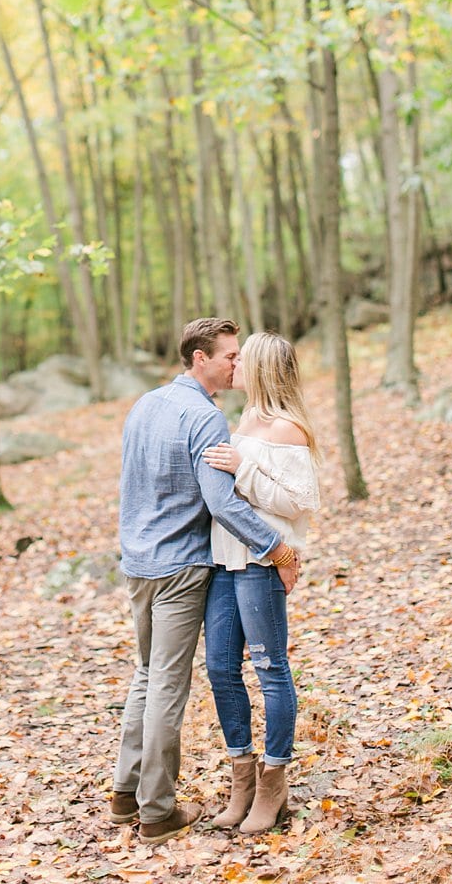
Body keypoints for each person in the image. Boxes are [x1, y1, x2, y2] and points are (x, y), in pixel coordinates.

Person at [110, 317, 301, 845]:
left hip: (138, 562)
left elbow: (129, 481)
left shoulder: (144, 404)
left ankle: (125, 793)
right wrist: (277, 547)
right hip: (179, 566)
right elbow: (220, 502)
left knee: (148, 675)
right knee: (167, 683)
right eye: (230, 356)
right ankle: (156, 811)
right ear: (200, 358)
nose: (238, 364)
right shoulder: (206, 417)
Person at [198, 331, 322, 835]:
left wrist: (243, 466)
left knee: (270, 667)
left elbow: (300, 501)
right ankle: (241, 778)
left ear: (265, 368)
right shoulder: (243, 419)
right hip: (224, 561)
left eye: (243, 359)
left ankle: (274, 782)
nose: (235, 365)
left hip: (263, 562)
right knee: (220, 667)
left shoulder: (289, 429)